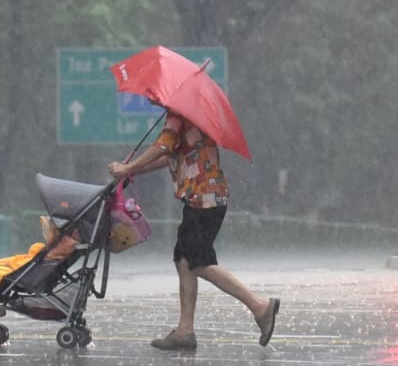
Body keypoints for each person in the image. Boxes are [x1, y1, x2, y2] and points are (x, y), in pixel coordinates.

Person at [108, 112, 279, 351]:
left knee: (198, 261)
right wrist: (134, 171)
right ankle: (185, 331)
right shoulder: (188, 116)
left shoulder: (178, 115)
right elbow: (170, 157)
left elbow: (162, 147)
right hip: (203, 198)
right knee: (184, 259)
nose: (150, 100)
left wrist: (129, 166)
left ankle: (260, 307)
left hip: (204, 198)